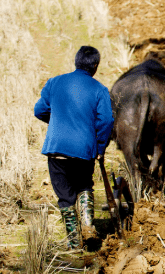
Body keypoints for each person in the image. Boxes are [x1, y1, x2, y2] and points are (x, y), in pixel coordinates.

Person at [34, 46, 114, 249]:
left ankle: (73, 243)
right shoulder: (99, 89)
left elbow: (39, 110)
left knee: (65, 196)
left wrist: (57, 121)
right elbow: (106, 121)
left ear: (76, 61)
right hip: (84, 152)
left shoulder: (54, 82)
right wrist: (100, 147)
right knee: (85, 186)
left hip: (56, 150)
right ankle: (88, 227)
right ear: (95, 66)